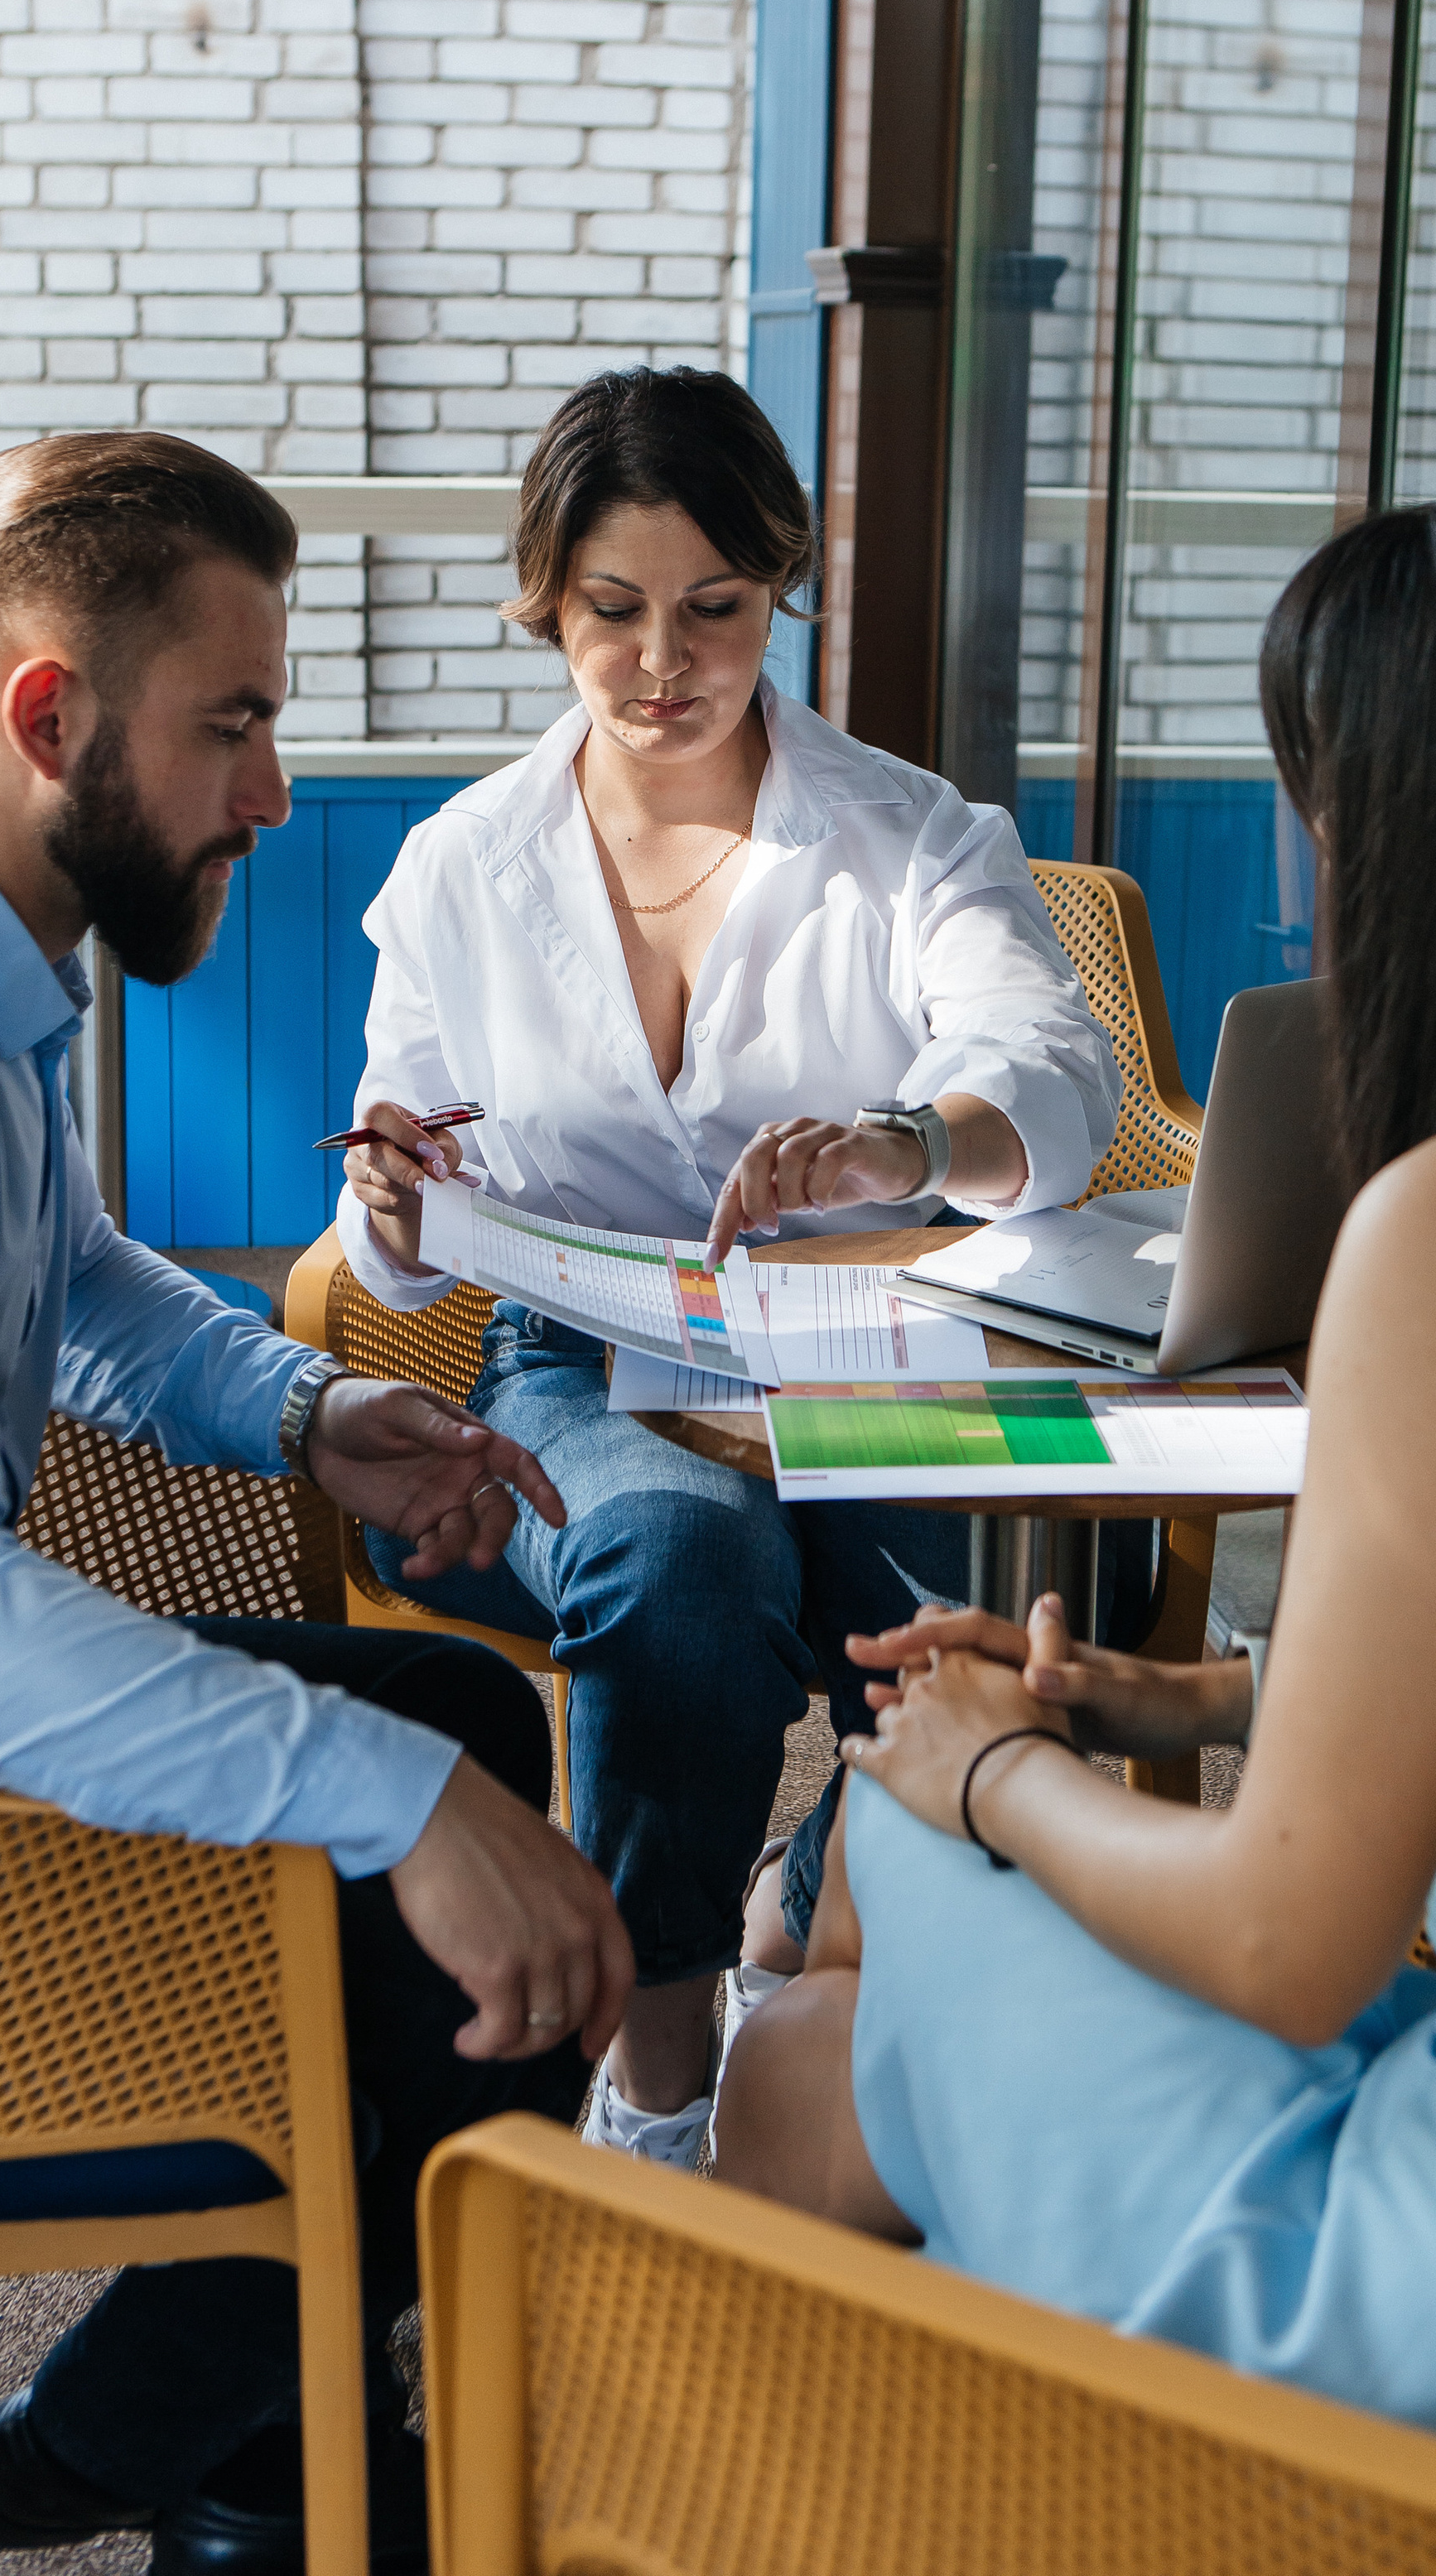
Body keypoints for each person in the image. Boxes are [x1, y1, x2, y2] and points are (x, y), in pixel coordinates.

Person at [716, 455, 1436, 2461]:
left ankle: (805, 2445)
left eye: (1316, 783)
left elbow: (1290, 1944)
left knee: (861, 1903)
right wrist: (1184, 1693)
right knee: (886, 1946)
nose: (1300, 854)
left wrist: (1003, 1768)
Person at [0, 430, 633, 2576]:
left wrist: (310, 1417)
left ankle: (183, 2443)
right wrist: (384, 1802)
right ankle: (188, 2459)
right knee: (433, 1882)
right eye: (241, 723)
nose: (275, 795)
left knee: (474, 1742)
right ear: (51, 716)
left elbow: (81, 1280)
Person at [335, 364, 1123, 2167]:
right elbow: (387, 1232)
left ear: (779, 592)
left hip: (870, 1344)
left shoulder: (913, 836)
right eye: (611, 611)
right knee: (685, 1558)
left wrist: (907, 1145)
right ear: (545, 599)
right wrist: (388, 1211)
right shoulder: (460, 868)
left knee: (995, 1610)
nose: (662, 662)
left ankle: (796, 1907)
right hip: (578, 1360)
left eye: (717, 609)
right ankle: (664, 2065)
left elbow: (1058, 1082)